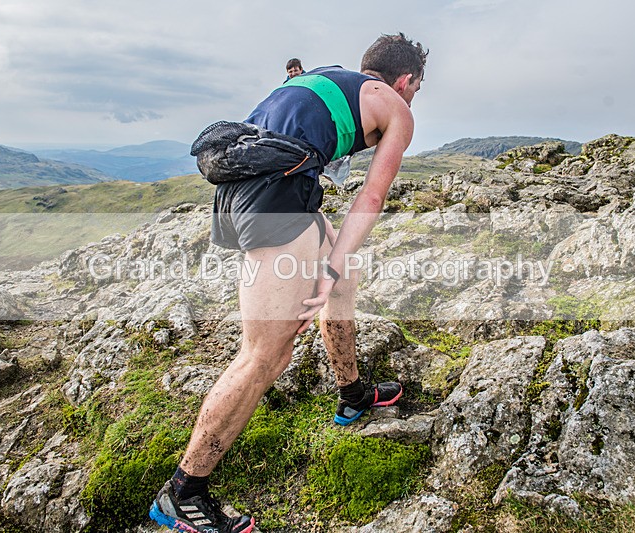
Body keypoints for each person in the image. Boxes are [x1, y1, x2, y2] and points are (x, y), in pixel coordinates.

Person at [149, 33, 427, 533]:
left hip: (242, 187)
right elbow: (371, 198)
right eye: (416, 89)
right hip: (277, 196)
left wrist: (334, 269)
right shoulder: (396, 108)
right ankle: (183, 493)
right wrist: (330, 268)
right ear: (405, 81)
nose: (411, 99)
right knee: (266, 354)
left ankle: (353, 393)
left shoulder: (329, 78)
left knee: (341, 277)